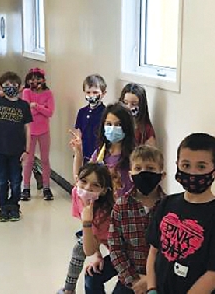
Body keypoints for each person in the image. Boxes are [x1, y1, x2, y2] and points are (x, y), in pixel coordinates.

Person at [145, 133, 215, 294]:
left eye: (201, 167)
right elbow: (153, 250)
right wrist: (151, 288)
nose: (192, 173)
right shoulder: (166, 203)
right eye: (186, 165)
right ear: (177, 164)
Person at [61, 103, 137, 293]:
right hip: (102, 218)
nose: (112, 129)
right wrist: (78, 152)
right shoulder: (101, 152)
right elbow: (82, 177)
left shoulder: (132, 158)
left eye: (117, 124)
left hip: (125, 227)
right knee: (84, 252)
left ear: (127, 127)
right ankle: (69, 289)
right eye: (108, 124)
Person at [107, 145, 167, 294]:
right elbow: (115, 248)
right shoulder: (121, 206)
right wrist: (133, 279)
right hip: (129, 282)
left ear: (162, 175)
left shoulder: (169, 207)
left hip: (160, 281)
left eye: (150, 168)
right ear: (130, 174)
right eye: (138, 168)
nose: (144, 172)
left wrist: (152, 280)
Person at [0, 72, 32, 222]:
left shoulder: (24, 105)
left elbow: (27, 129)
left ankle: (14, 206)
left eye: (13, 85)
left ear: (19, 87)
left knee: (15, 180)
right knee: (1, 179)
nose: (10, 88)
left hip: (17, 151)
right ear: (1, 88)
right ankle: (3, 207)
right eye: (6, 85)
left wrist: (27, 150)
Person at [68, 162, 116, 293]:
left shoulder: (107, 213)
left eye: (95, 185)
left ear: (104, 190)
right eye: (83, 181)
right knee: (91, 275)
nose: (87, 188)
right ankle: (68, 289)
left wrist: (87, 222)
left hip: (128, 255)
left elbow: (89, 249)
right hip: (110, 247)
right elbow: (95, 240)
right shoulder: (77, 195)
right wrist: (98, 255)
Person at [21, 67, 55, 201]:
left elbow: (50, 112)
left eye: (38, 78)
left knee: (45, 159)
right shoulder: (26, 92)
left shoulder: (48, 93)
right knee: (28, 160)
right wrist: (41, 108)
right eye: (32, 79)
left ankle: (46, 187)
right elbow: (26, 111)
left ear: (43, 80)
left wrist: (36, 106)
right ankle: (26, 187)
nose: (35, 81)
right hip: (30, 131)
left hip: (44, 131)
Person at [73, 74, 107, 163]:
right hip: (83, 154)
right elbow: (79, 132)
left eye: (95, 92)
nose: (91, 95)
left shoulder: (106, 113)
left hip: (98, 156)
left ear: (103, 94)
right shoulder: (82, 112)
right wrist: (77, 149)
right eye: (88, 92)